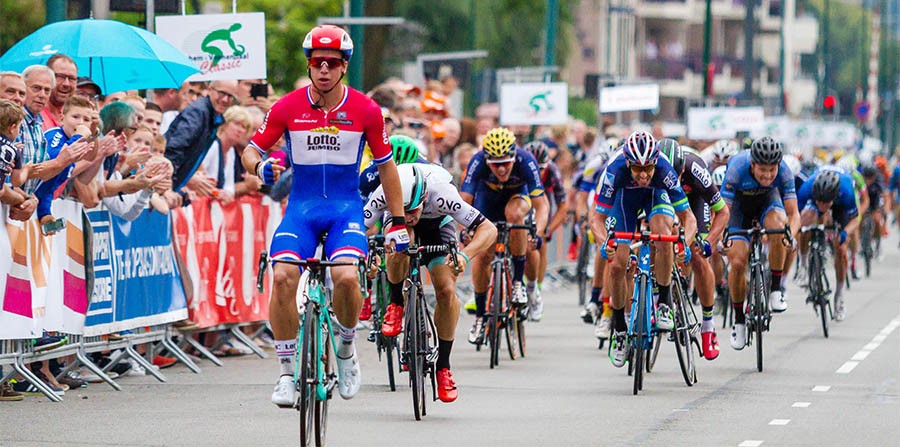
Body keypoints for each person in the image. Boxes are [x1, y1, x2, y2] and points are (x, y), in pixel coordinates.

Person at [240, 24, 408, 407]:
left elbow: (387, 168)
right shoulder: (286, 107)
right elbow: (250, 150)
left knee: (346, 277)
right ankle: (285, 373)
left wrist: (396, 221)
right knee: (282, 276)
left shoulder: (366, 110)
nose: (324, 70)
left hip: (344, 210)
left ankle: (346, 351)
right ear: (310, 64)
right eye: (317, 63)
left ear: (344, 66)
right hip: (301, 208)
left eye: (332, 63)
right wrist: (260, 168)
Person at [364, 163, 496, 402]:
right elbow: (356, 232)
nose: (409, 217)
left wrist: (466, 255)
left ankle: (443, 367)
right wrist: (367, 259)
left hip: (438, 224)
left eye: (412, 210)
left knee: (445, 289)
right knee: (402, 237)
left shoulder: (442, 194)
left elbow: (489, 229)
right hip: (394, 225)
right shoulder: (383, 194)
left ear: (424, 197)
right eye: (404, 211)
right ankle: (396, 304)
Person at [588, 131, 697, 367]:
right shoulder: (614, 170)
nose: (644, 174)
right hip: (624, 201)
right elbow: (596, 218)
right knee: (618, 264)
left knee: (664, 234)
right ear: (628, 163)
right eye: (638, 169)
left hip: (655, 197)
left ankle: (665, 302)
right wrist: (604, 242)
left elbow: (688, 218)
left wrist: (685, 244)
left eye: (649, 167)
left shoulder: (664, 171)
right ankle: (618, 327)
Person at [459, 127, 549, 345]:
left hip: (517, 197)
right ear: (487, 159)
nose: (501, 169)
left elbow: (542, 205)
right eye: (496, 164)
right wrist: (465, 229)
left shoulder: (526, 160)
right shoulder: (478, 161)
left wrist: (537, 233)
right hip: (487, 200)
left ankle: (518, 283)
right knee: (482, 255)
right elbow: (463, 201)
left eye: (506, 163)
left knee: (515, 215)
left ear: (514, 156)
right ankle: (481, 316)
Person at [720, 136, 799, 350]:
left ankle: (775, 288)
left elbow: (793, 214)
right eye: (762, 170)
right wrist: (721, 237)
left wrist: (790, 235)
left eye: (771, 170)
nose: (767, 175)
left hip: (767, 204)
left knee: (779, 227)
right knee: (737, 263)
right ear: (752, 164)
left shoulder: (784, 172)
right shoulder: (737, 167)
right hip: (739, 210)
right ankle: (738, 319)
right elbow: (723, 211)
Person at [657, 139, 729, 360]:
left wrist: (708, 241)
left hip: (695, 201)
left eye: (676, 177)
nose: (673, 181)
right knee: (657, 240)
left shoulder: (695, 169)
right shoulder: (652, 169)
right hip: (663, 202)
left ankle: (708, 325)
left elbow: (723, 212)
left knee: (697, 254)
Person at [795, 168, 858, 321]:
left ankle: (839, 296)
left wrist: (844, 233)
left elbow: (855, 221)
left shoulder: (846, 192)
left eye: (826, 203)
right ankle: (803, 266)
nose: (823, 206)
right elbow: (795, 218)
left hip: (839, 207)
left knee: (842, 249)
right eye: (820, 202)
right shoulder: (806, 189)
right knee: (806, 225)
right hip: (814, 200)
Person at [165, 79, 239, 193]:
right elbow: (175, 148)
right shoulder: (198, 112)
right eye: (221, 93)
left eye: (230, 96)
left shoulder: (213, 117)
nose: (225, 99)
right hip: (164, 183)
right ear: (209, 90)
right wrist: (167, 185)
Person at [523, 140, 567, 321]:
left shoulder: (553, 171)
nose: (538, 173)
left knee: (538, 244)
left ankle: (536, 290)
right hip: (522, 201)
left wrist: (548, 229)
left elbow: (563, 206)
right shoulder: (519, 167)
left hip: (542, 204)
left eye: (541, 169)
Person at [40, 54, 78, 131]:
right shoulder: (35, 115)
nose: (66, 84)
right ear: (47, 77)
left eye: (72, 78)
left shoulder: (77, 117)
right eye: (61, 76)